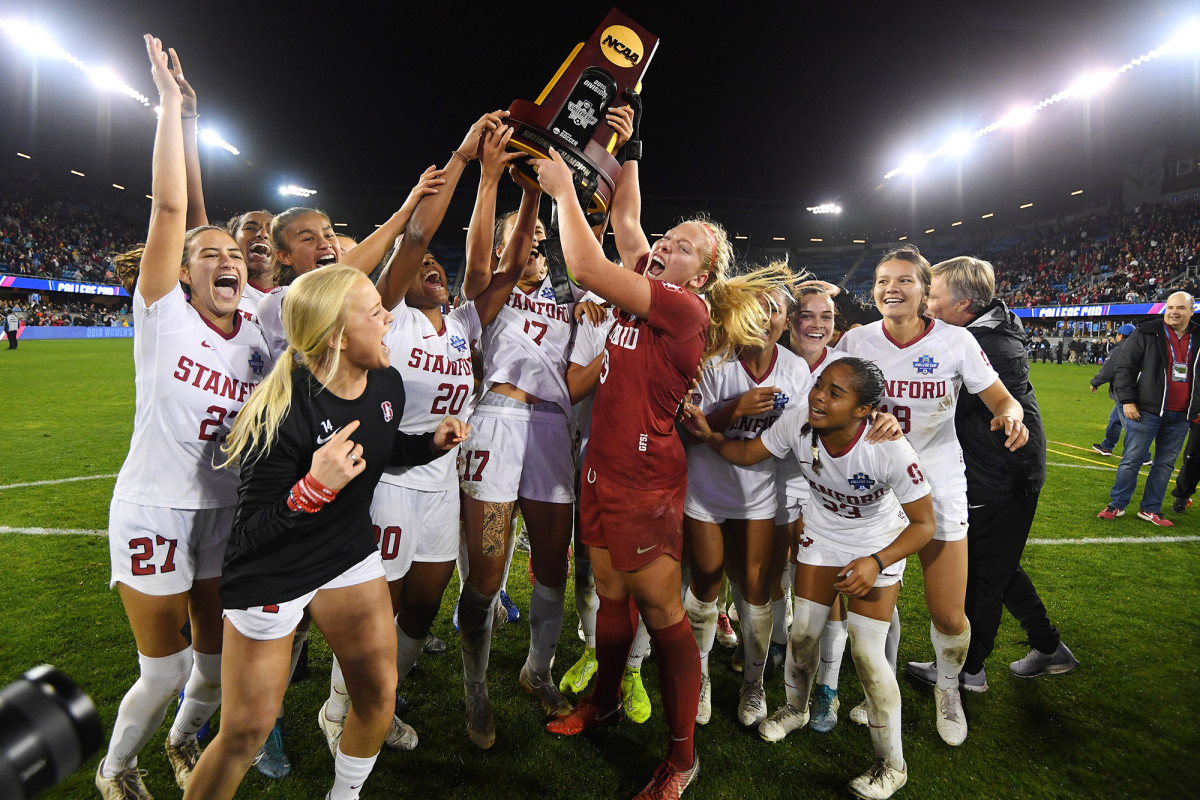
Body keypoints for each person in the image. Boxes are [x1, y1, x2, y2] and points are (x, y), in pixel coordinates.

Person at [536, 142, 791, 798]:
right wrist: (631, 146)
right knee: (610, 596)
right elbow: (627, 223)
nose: (660, 246)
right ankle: (605, 701)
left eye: (679, 246)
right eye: (665, 238)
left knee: (661, 611)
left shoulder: (683, 309)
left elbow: (586, 265)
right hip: (602, 466)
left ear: (700, 275)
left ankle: (682, 756)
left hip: (645, 480)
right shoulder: (654, 287)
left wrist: (564, 190)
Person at [180, 265, 468, 800]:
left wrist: (428, 444)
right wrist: (313, 486)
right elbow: (249, 537)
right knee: (245, 733)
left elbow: (379, 452)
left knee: (379, 696)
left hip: (345, 556)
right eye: (375, 313)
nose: (388, 321)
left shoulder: (386, 382)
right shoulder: (284, 411)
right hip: (274, 572)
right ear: (336, 335)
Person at [95, 37, 273, 800]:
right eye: (209, 252)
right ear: (183, 271)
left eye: (234, 249)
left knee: (209, 669)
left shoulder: (261, 333)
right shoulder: (163, 315)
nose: (227, 257)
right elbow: (174, 206)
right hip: (153, 510)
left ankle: (176, 745)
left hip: (222, 515)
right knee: (164, 669)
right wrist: (171, 109)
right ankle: (116, 769)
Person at [451, 107, 632, 748]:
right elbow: (484, 266)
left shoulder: (569, 306)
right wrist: (517, 193)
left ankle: (537, 669)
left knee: (551, 566)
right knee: (487, 576)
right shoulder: (488, 294)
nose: (527, 253)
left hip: (554, 436)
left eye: (533, 245)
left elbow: (581, 380)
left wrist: (595, 330)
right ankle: (476, 689)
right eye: (517, 245)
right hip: (498, 426)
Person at [686, 358, 930, 800]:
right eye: (820, 385)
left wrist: (876, 561)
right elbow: (748, 453)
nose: (818, 395)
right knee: (801, 636)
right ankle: (794, 709)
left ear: (864, 410)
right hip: (823, 534)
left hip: (878, 541)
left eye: (835, 393)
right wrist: (709, 436)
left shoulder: (887, 446)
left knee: (868, 654)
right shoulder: (799, 421)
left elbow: (924, 525)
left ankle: (891, 765)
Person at [837, 244, 1027, 747]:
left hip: (938, 483)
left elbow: (1001, 397)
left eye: (903, 280)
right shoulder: (856, 339)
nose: (890, 289)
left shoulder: (957, 341)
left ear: (925, 290)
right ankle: (878, 691)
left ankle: (949, 689)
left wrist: (1012, 415)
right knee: (877, 606)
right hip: (876, 487)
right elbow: (828, 396)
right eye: (881, 280)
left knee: (947, 612)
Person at [908, 256, 1077, 689]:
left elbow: (937, 402)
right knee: (1000, 564)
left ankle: (969, 669)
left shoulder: (986, 345)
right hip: (990, 469)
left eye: (933, 294)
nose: (925, 302)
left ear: (964, 303)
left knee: (983, 572)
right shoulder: (976, 332)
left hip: (1002, 474)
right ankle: (1048, 645)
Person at [681, 282, 812, 729]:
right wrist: (735, 408)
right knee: (705, 583)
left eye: (774, 310)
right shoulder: (714, 362)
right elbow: (691, 429)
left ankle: (753, 685)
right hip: (704, 486)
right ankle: (699, 678)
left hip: (759, 490)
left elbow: (804, 435)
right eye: (755, 307)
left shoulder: (796, 370)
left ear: (786, 321)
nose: (764, 316)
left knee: (757, 590)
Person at [1098, 291, 1200, 526]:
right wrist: (1127, 401)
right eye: (1171, 307)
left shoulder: (1198, 336)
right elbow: (1125, 367)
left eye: (1181, 308)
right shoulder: (1147, 331)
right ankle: (1117, 504)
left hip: (1182, 413)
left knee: (1164, 464)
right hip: (1146, 410)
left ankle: (1150, 508)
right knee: (1132, 459)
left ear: (1192, 311)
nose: (1174, 312)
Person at [1090, 324, 1136, 456]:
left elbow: (1108, 370)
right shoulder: (1141, 347)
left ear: (1120, 336)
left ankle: (1143, 455)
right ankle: (1107, 446)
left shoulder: (1118, 350)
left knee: (1129, 425)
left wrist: (1095, 382)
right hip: (1136, 390)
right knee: (1115, 420)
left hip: (1123, 391)